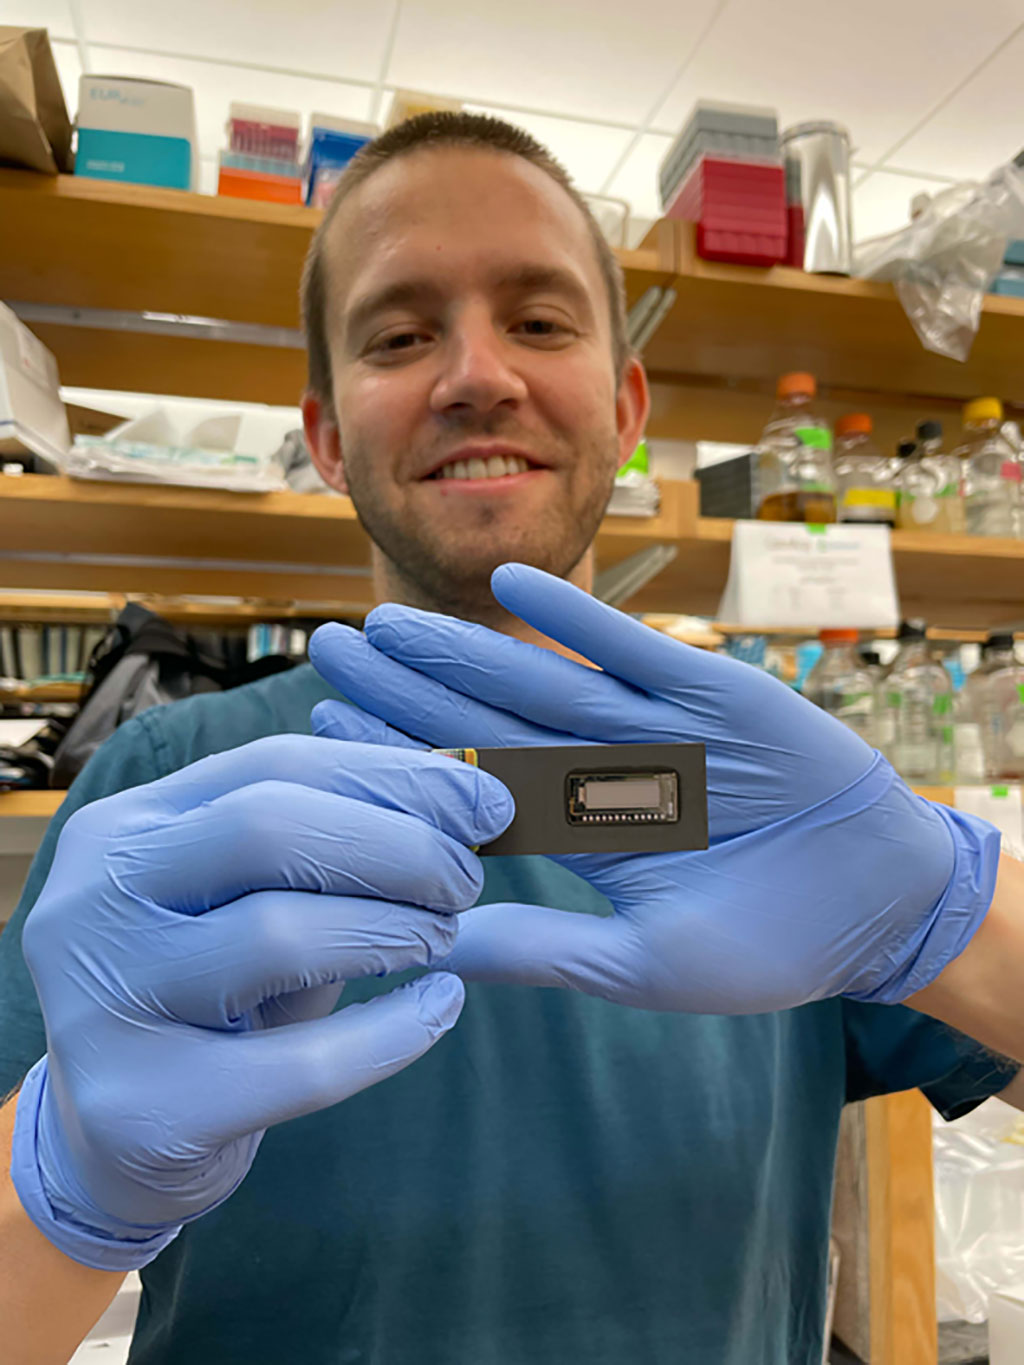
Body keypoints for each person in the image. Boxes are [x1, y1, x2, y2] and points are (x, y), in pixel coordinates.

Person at [0, 112, 1018, 1365]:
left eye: (539, 321)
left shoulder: (775, 796)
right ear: (323, 434)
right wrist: (67, 1176)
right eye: (400, 333)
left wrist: (945, 909)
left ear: (627, 403)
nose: (478, 374)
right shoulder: (169, 781)